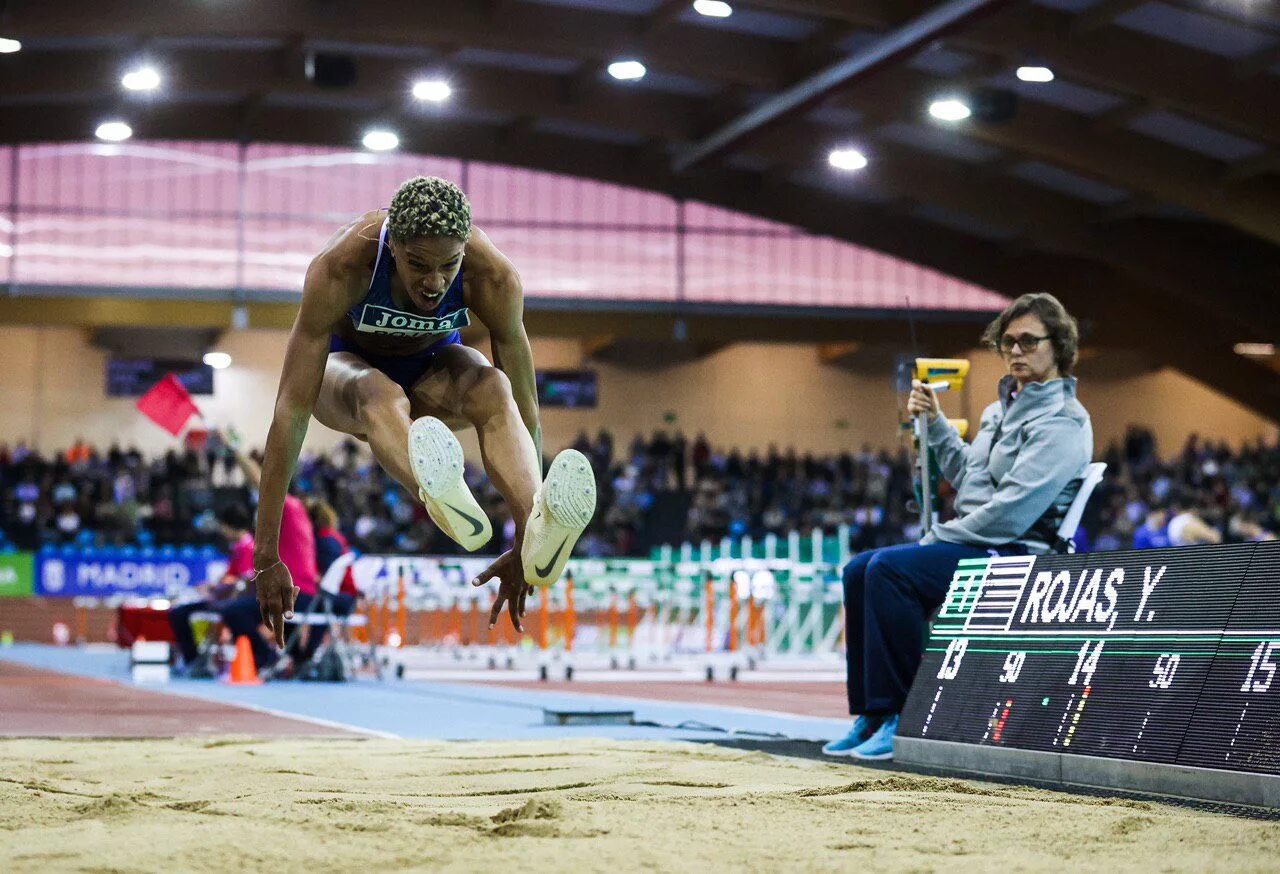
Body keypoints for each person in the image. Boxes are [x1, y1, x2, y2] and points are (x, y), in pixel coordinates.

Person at [250, 176, 596, 648]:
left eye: (448, 266)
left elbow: (525, 408)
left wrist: (521, 541)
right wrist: (266, 555)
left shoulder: (494, 277)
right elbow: (290, 412)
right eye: (418, 265)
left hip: (434, 372)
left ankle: (539, 522)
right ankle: (433, 489)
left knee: (493, 385)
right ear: (392, 245)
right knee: (377, 390)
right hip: (349, 377)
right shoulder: (342, 268)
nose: (434, 283)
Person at [824, 293, 1094, 761]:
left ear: (1059, 346)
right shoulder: (997, 410)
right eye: (1008, 342)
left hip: (1017, 552)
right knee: (858, 569)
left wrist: (941, 535)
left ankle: (908, 716)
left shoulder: (1064, 422)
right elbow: (968, 477)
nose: (1015, 351)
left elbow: (1012, 512)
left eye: (1029, 341)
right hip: (977, 541)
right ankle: (874, 710)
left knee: (889, 571)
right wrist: (935, 422)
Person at [167, 503, 254, 674]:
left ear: (229, 526)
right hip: (223, 599)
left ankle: (193, 660)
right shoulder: (237, 547)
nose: (221, 531)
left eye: (222, 526)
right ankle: (193, 660)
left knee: (179, 614)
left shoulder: (248, 549)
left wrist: (217, 587)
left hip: (230, 603)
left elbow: (244, 582)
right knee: (179, 611)